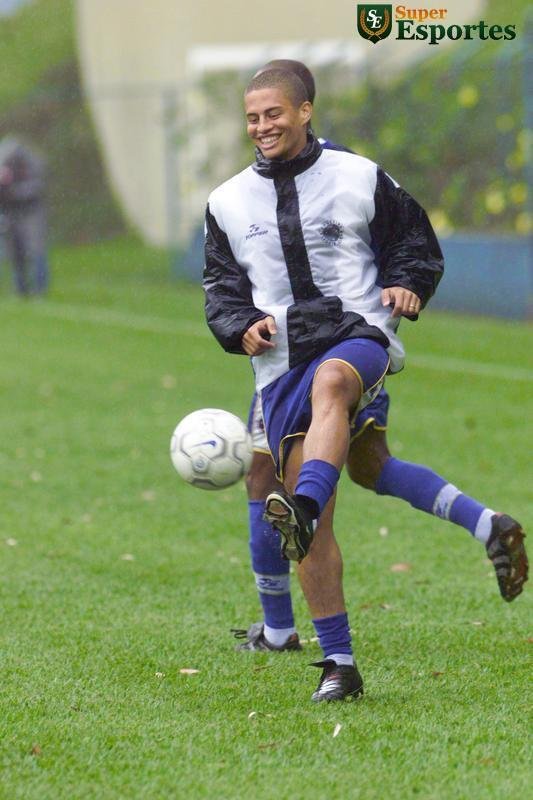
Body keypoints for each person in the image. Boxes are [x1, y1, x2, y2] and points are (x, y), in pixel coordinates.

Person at [203, 69, 528, 702]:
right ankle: (341, 664)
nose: (262, 127)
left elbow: (413, 239)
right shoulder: (227, 202)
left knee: (326, 397)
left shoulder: (357, 176)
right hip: (280, 366)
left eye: (274, 114)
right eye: (252, 117)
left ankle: (293, 555)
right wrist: (239, 325)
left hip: (358, 337)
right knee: (366, 467)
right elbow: (221, 288)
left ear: (305, 110)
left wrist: (407, 282)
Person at [0, 137, 49, 296]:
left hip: (31, 212)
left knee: (36, 249)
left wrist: (14, 192)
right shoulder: (4, 167)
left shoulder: (30, 165)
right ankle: (21, 289)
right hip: (10, 213)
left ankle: (40, 288)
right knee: (15, 252)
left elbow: (36, 188)